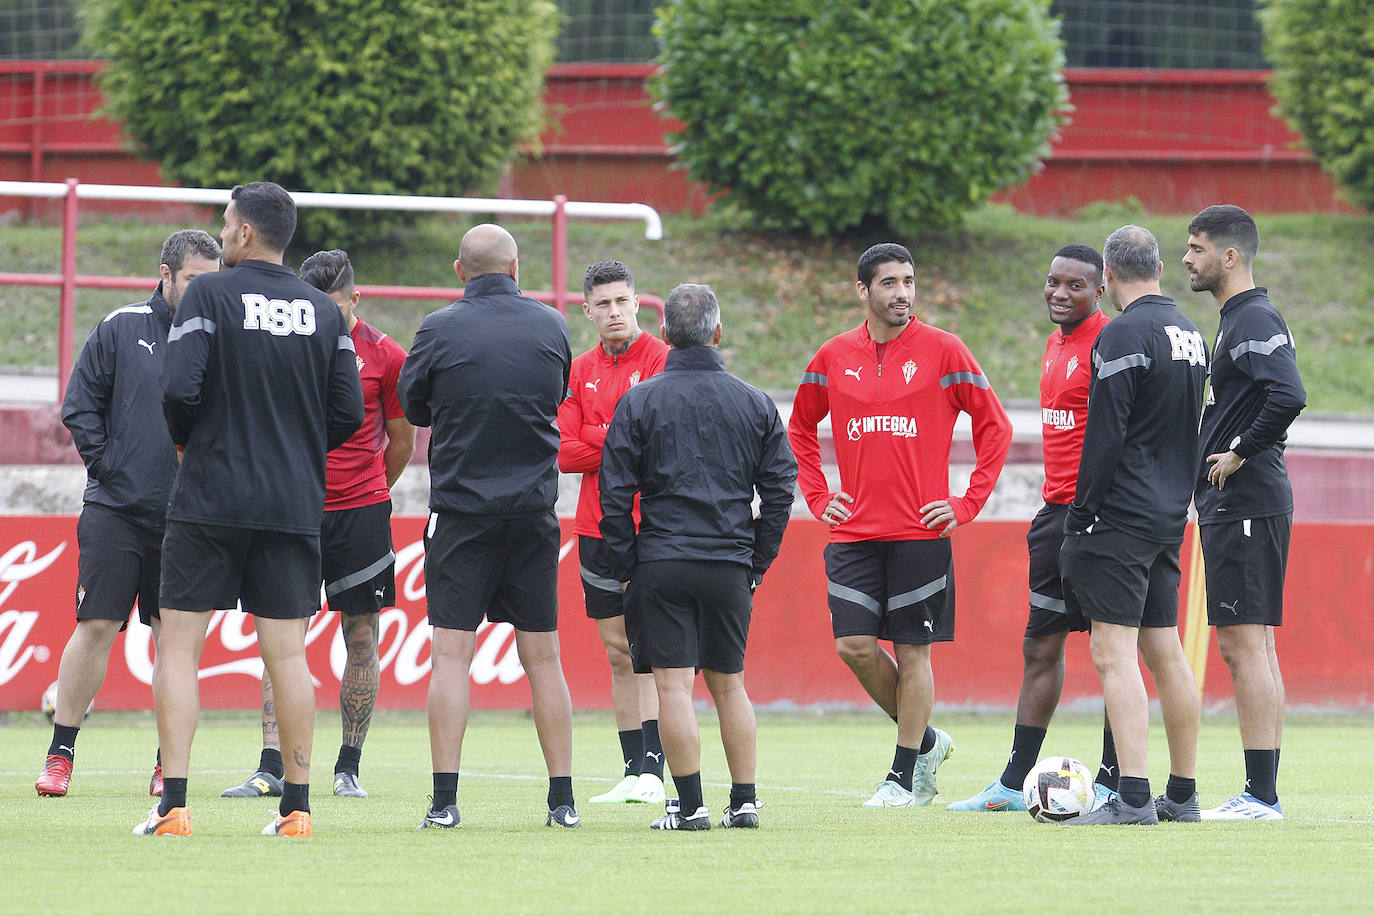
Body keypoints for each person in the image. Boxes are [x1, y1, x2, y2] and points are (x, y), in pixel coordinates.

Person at [138, 181, 364, 838]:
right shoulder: (324, 311)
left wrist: (193, 440)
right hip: (291, 502)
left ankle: (173, 805)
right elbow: (349, 413)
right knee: (288, 657)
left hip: (210, 495)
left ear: (241, 234)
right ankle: (296, 809)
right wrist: (296, 445)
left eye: (227, 221)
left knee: (179, 648)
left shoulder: (208, 293)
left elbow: (178, 387)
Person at [789, 243, 1013, 809]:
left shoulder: (945, 351)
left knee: (915, 652)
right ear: (862, 291)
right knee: (855, 646)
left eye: (909, 281)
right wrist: (818, 496)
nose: (902, 294)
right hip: (854, 531)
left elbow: (996, 428)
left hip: (921, 531)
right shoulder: (832, 357)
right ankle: (928, 740)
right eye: (888, 283)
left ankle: (903, 774)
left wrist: (965, 504)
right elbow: (798, 431)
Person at [399, 223, 579, 830]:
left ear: (460, 271)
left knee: (452, 656)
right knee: (544, 658)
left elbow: (414, 405)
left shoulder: (438, 328)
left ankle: (445, 803)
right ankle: (563, 802)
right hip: (532, 513)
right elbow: (558, 394)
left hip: (461, 514)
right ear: (516, 267)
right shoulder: (551, 325)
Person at [600, 283, 796, 830]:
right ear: (717, 332)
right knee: (730, 683)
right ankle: (746, 801)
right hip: (729, 559)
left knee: (671, 686)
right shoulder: (754, 401)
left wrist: (626, 566)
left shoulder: (639, 400)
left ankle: (689, 807)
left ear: (663, 334)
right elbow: (781, 490)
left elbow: (613, 495)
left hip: (660, 559)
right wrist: (757, 560)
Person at [221, 249, 415, 801]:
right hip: (293, 508)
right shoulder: (289, 347)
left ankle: (348, 765)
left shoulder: (386, 355)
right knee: (283, 638)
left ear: (355, 300)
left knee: (360, 635)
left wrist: (369, 491)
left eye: (333, 306)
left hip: (361, 513)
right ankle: (270, 766)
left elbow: (401, 442)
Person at [35, 230, 221, 800]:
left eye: (211, 282)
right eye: (193, 280)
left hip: (190, 518)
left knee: (177, 640)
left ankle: (169, 763)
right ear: (165, 274)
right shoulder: (120, 327)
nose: (201, 292)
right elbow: (79, 405)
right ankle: (60, 753)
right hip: (116, 509)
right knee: (95, 627)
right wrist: (110, 466)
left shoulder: (224, 338)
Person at [948, 244, 1121, 813]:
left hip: (1102, 518)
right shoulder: (1054, 344)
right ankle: (1012, 782)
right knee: (1039, 646)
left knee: (1112, 651)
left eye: (1075, 286)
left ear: (1100, 290)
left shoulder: (1111, 344)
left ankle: (1117, 780)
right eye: (1053, 282)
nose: (1060, 293)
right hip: (1054, 516)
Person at [1060, 225, 1207, 826]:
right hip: (1169, 514)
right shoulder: (1192, 333)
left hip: (1119, 516)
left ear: (1110, 278)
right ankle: (1184, 793)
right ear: (1161, 270)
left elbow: (1106, 434)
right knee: (1166, 651)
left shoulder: (1120, 334)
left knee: (1112, 653)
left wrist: (1080, 514)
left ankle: (1134, 797)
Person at [1183, 205, 1305, 820]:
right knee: (1252, 645)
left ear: (1229, 257)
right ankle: (1263, 792)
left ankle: (1261, 796)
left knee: (1244, 646)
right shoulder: (1236, 320)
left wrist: (1238, 449)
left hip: (1249, 501)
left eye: (1197, 247)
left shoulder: (1253, 317)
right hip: (1239, 503)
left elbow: (1290, 392)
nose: (1187, 259)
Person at [557, 259, 670, 805]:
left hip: (652, 526)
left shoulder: (664, 361)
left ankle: (656, 768)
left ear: (637, 302)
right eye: (603, 304)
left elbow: (659, 446)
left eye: (622, 301)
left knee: (651, 647)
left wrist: (601, 435)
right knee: (616, 649)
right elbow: (563, 451)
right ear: (588, 311)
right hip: (597, 525)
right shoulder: (579, 370)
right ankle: (634, 770)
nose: (614, 312)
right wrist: (621, 434)